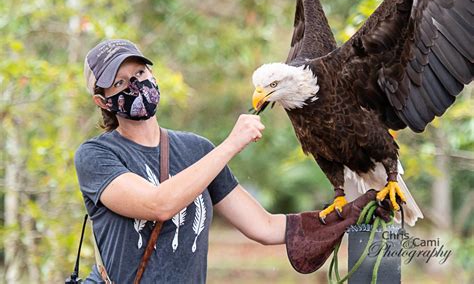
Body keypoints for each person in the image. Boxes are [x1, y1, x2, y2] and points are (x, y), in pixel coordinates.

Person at [75, 39, 383, 283]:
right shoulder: (97, 156)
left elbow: (264, 226)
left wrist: (346, 216)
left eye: (140, 74)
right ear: (102, 102)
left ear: (153, 76)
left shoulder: (195, 150)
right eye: (120, 82)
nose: (135, 85)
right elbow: (158, 205)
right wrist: (231, 144)